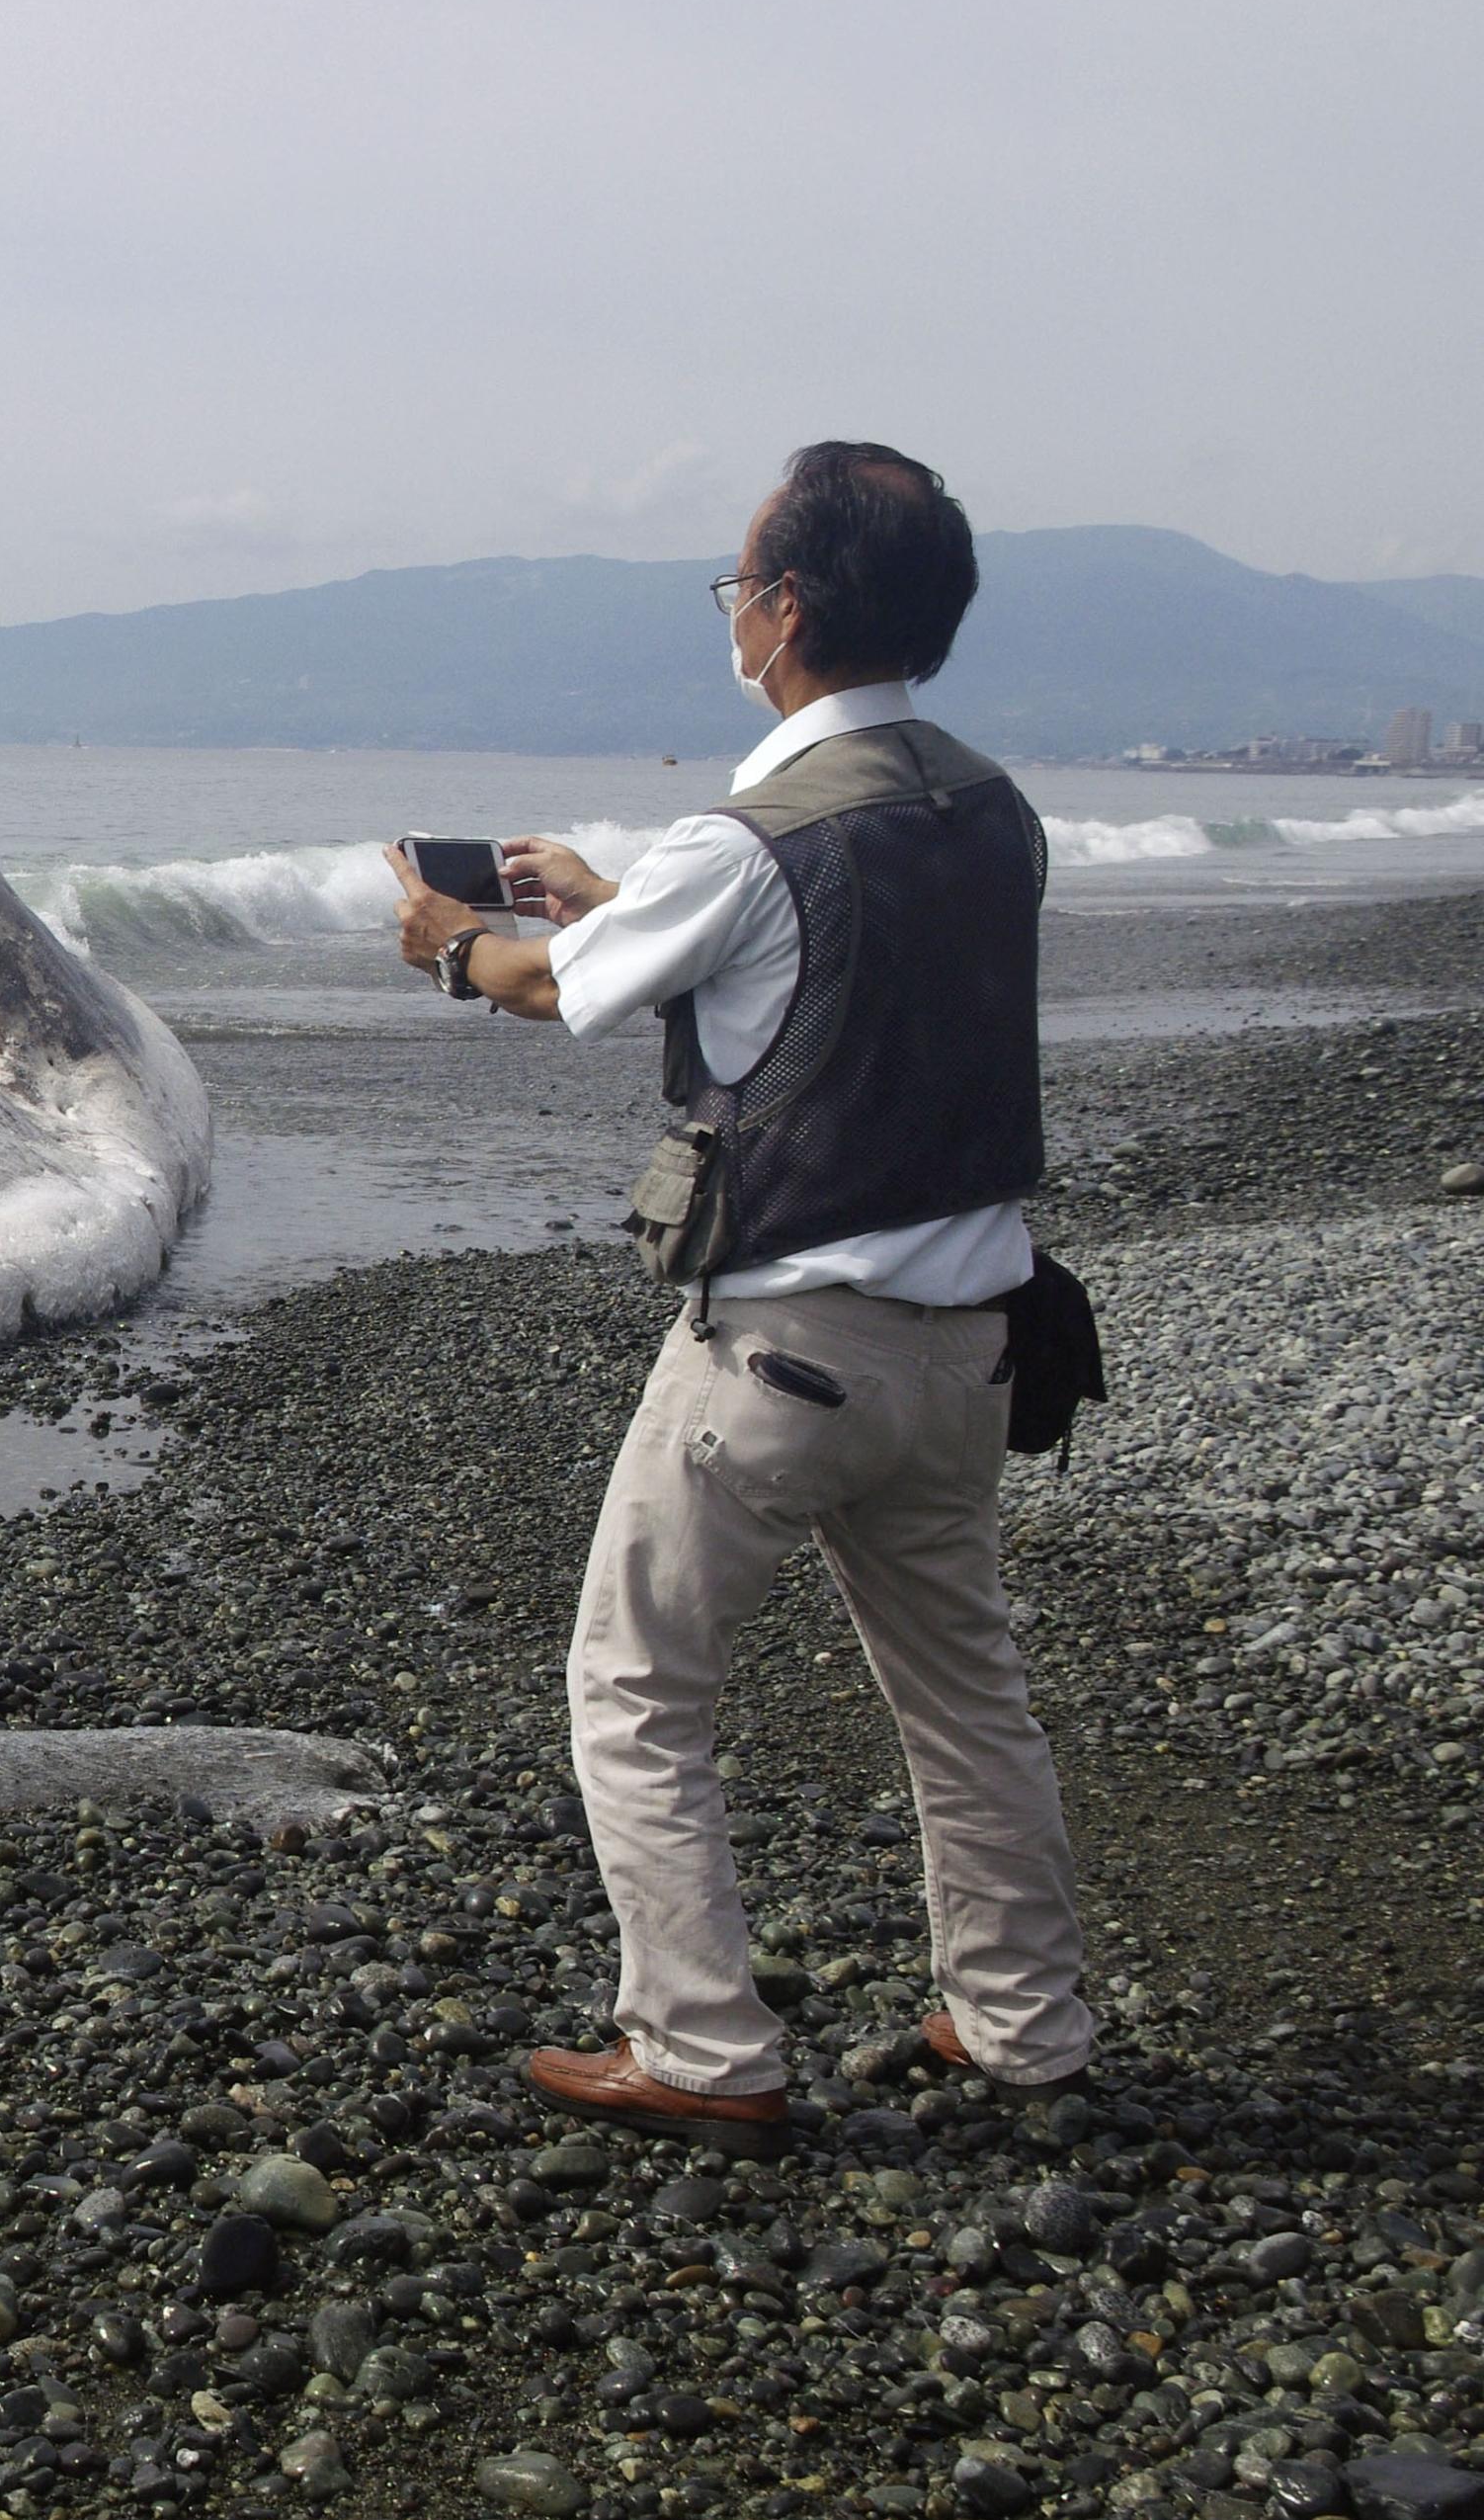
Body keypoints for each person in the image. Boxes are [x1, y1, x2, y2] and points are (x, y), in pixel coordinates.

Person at [381, 441, 1094, 2155]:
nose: (737, 609)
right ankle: (1024, 2023)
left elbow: (550, 989)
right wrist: (626, 898)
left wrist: (446, 937)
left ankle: (702, 2043)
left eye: (739, 585)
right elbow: (834, 997)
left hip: (786, 1357)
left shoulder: (745, 838)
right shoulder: (993, 809)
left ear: (779, 613)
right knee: (964, 1692)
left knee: (635, 1680)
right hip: (977, 1338)